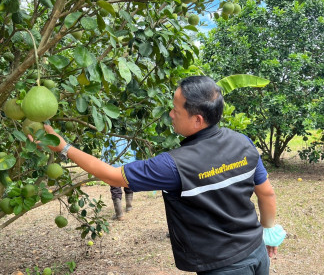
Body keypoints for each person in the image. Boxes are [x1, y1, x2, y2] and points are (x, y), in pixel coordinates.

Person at [37, 76, 285, 274]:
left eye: (176, 109)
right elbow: (267, 193)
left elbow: (113, 176)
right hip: (256, 252)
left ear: (198, 119)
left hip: (223, 266)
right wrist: (268, 232)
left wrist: (64, 148)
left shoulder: (175, 164)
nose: (170, 114)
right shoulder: (242, 142)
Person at [102, 136, 136, 221]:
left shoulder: (110, 133)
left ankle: (119, 214)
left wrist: (104, 163)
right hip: (129, 163)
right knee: (128, 184)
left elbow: (105, 150)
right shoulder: (130, 132)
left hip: (115, 165)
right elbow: (135, 148)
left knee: (115, 188)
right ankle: (129, 206)